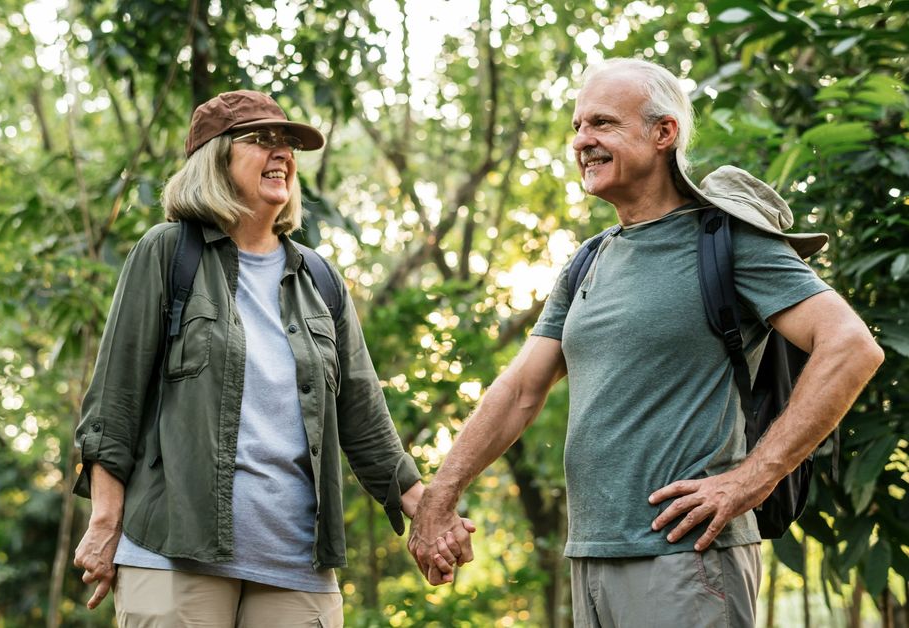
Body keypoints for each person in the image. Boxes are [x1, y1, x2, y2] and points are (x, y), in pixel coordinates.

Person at [408, 58, 884, 625]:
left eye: (603, 124)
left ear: (664, 133)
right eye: (578, 127)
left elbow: (852, 346)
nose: (583, 141)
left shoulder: (728, 239)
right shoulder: (587, 261)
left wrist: (750, 480)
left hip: (689, 562)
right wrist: (441, 492)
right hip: (591, 557)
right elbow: (519, 391)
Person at [71, 90, 470, 627]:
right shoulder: (168, 253)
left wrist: (429, 512)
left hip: (296, 564)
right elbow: (112, 407)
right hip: (173, 554)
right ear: (215, 157)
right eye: (261, 140)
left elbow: (365, 419)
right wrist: (103, 523)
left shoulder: (319, 279)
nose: (281, 152)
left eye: (288, 143)